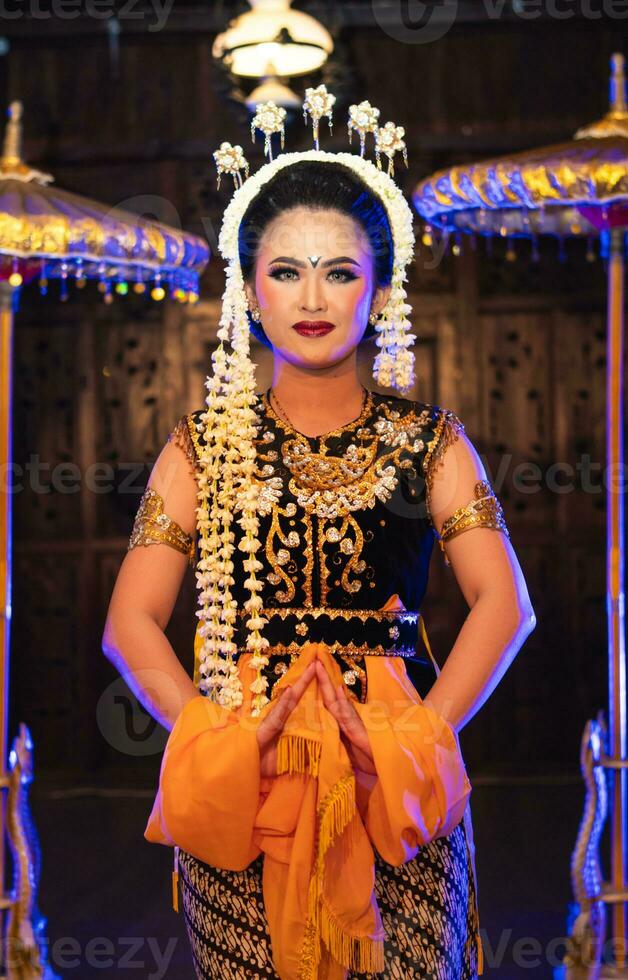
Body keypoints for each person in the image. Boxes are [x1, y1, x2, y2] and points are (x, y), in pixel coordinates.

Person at [102, 88, 536, 980]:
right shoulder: (199, 447)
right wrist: (218, 741)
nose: (312, 296)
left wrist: (418, 741)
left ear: (379, 291)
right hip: (247, 792)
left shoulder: (431, 441)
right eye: (286, 270)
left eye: (339, 271)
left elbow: (506, 605)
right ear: (249, 291)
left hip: (401, 790)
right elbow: (128, 624)